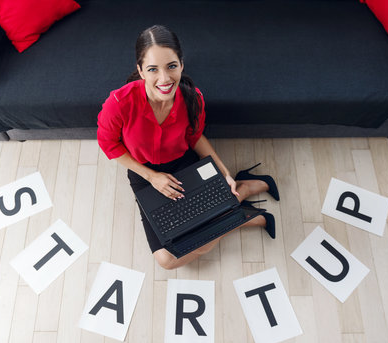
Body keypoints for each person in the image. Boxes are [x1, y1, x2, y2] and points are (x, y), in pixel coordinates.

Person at [97, 25, 279, 270]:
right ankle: (239, 218)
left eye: (171, 66)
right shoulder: (118, 103)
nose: (164, 79)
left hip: (185, 163)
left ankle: (241, 190)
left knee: (206, 227)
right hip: (145, 174)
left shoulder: (193, 98)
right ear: (140, 71)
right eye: (153, 69)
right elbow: (109, 144)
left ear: (181, 64)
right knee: (167, 259)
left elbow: (195, 137)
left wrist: (223, 172)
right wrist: (153, 178)